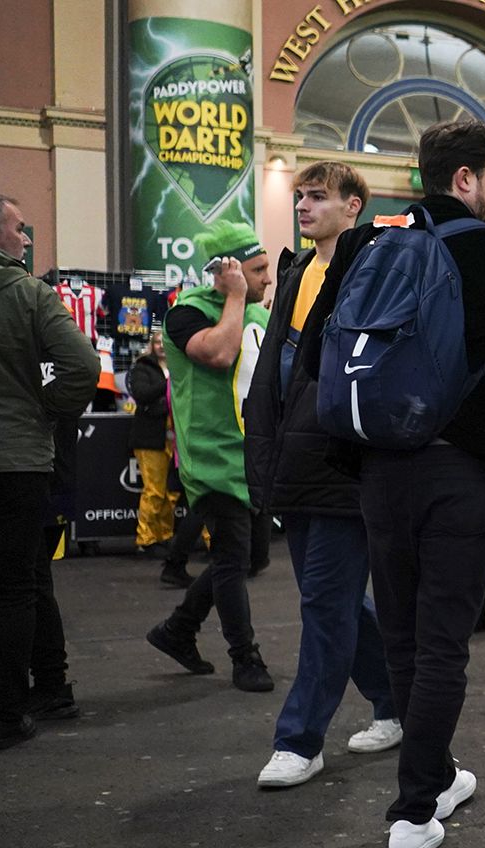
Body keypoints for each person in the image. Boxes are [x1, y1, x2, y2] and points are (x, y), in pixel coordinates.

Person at [302, 121, 485, 848]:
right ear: (465, 179)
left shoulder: (365, 243)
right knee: (445, 642)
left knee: (406, 636)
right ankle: (414, 812)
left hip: (379, 468)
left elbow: (321, 347)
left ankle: (437, 776)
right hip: (460, 472)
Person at [243, 161, 402, 789]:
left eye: (318, 197)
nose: (304, 207)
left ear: (354, 206)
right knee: (332, 600)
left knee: (325, 604)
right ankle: (394, 703)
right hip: (297, 463)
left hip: (344, 464)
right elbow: (275, 384)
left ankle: (299, 739)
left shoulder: (370, 270)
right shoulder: (296, 272)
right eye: (300, 197)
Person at [0, 190, 99, 750]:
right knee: (10, 593)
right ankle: (2, 717)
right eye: (19, 228)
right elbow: (82, 365)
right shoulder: (28, 294)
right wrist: (44, 410)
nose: (26, 239)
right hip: (12, 461)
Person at [145, 220, 276, 694]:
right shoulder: (186, 314)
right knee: (230, 558)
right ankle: (246, 658)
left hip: (252, 458)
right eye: (257, 270)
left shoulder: (261, 316)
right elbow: (220, 355)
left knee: (250, 559)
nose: (267, 279)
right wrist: (237, 297)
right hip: (211, 458)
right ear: (229, 272)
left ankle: (179, 628)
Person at [128, 331, 177, 559]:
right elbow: (141, 394)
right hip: (150, 438)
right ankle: (145, 539)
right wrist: (167, 384)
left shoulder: (179, 366)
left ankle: (165, 535)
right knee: (154, 491)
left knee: (170, 493)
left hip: (175, 438)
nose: (161, 346)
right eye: (157, 342)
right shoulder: (143, 367)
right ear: (151, 345)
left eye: (164, 342)